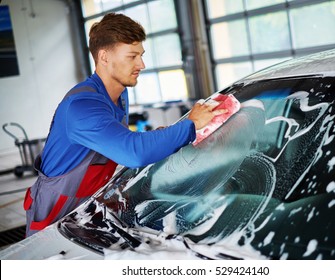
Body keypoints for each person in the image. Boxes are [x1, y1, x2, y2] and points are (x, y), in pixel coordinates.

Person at [23, 13, 226, 237]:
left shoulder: (119, 94)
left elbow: (117, 140)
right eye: (132, 56)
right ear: (104, 57)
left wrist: (162, 137)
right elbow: (132, 151)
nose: (142, 64)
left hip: (86, 209)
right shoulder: (81, 106)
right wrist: (190, 124)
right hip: (56, 213)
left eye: (141, 55)